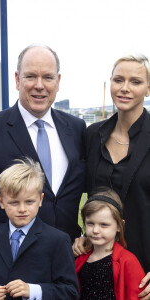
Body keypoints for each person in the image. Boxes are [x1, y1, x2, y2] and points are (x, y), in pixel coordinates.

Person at [0, 44, 86, 264]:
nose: (39, 86)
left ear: (58, 81)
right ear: (17, 79)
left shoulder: (77, 128)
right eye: (31, 76)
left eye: (48, 77)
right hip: (8, 260)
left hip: (67, 260)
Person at [72, 54, 150, 299]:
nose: (125, 88)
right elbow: (85, 196)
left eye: (135, 82)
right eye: (118, 80)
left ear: (148, 88)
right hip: (98, 263)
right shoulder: (93, 135)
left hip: (143, 269)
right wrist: (82, 234)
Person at [0, 158, 79, 300]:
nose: (22, 209)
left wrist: (33, 290)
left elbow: (70, 292)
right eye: (14, 203)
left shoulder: (58, 240)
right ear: (1, 202)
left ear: (41, 199)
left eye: (29, 202)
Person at [75, 187, 145, 299]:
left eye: (104, 225)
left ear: (119, 226)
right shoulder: (79, 259)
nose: (95, 230)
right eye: (90, 223)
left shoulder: (128, 261)